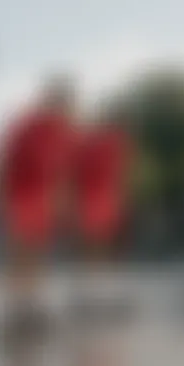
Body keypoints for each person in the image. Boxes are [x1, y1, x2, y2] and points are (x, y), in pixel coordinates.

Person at [0, 76, 77, 337]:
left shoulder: (65, 132)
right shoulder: (26, 126)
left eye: (66, 106)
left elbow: (64, 170)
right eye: (59, 104)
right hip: (21, 196)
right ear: (49, 102)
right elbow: (7, 161)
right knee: (20, 254)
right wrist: (5, 199)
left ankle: (30, 308)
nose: (63, 110)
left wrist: (63, 200)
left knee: (38, 254)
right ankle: (12, 311)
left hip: (44, 198)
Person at [71, 102, 133, 316]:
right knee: (97, 252)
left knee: (101, 253)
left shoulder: (113, 142)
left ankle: (96, 296)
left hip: (104, 202)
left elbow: (118, 178)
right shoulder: (104, 142)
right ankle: (92, 298)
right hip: (96, 202)